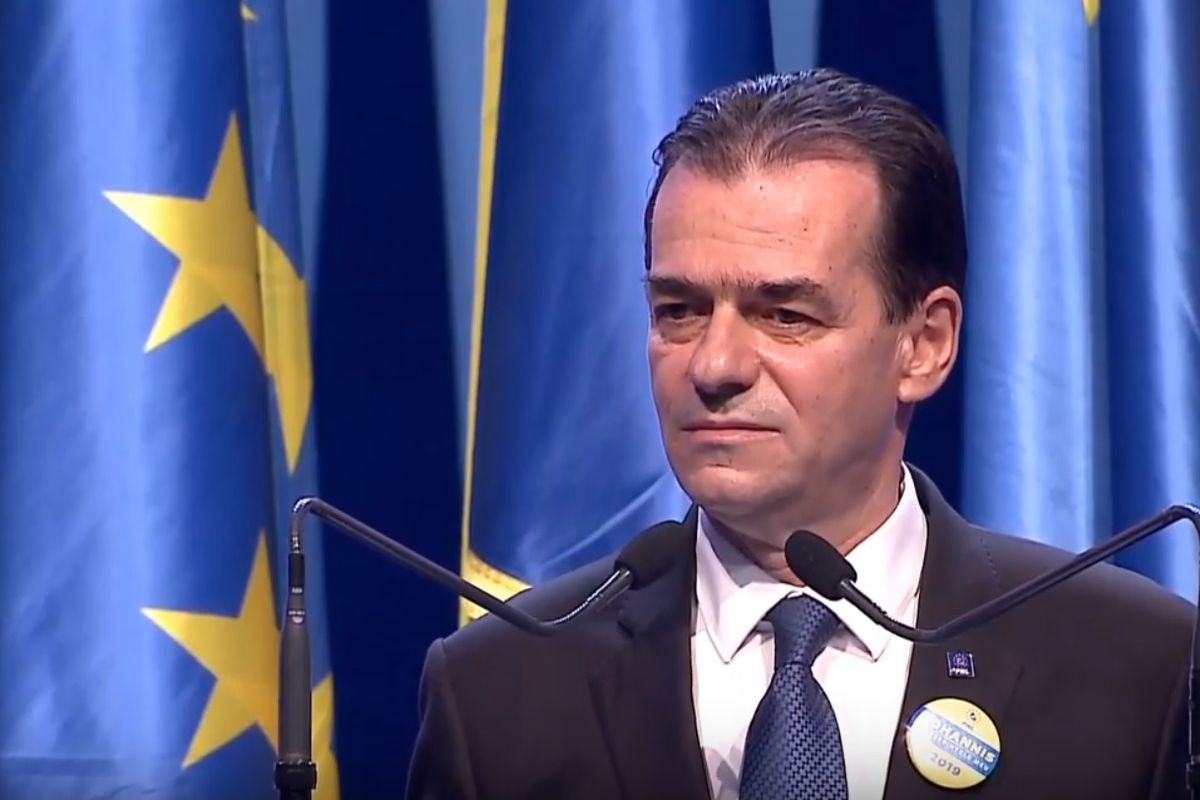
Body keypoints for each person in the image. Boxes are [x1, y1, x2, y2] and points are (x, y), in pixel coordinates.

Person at [405, 68, 1193, 800]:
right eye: (679, 310)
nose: (714, 365)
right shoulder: (500, 689)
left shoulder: (1135, 667)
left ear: (924, 344)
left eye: (785, 315)